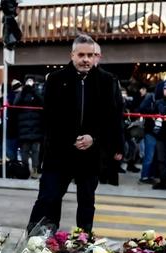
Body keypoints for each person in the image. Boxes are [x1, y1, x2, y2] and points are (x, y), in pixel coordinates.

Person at [27, 34, 123, 232]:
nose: (86, 59)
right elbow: (49, 118)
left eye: (90, 55)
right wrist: (71, 139)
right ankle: (40, 240)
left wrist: (93, 139)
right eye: (81, 55)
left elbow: (111, 118)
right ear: (72, 55)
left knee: (86, 202)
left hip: (90, 155)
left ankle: (82, 243)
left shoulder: (107, 81)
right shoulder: (55, 79)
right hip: (59, 152)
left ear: (96, 56)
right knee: (48, 198)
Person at [14, 77, 44, 178]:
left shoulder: (36, 92)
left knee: (36, 151)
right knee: (24, 151)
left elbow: (42, 101)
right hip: (24, 127)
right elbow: (16, 103)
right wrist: (24, 90)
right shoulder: (21, 94)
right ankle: (24, 170)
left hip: (36, 126)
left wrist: (33, 90)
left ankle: (35, 170)